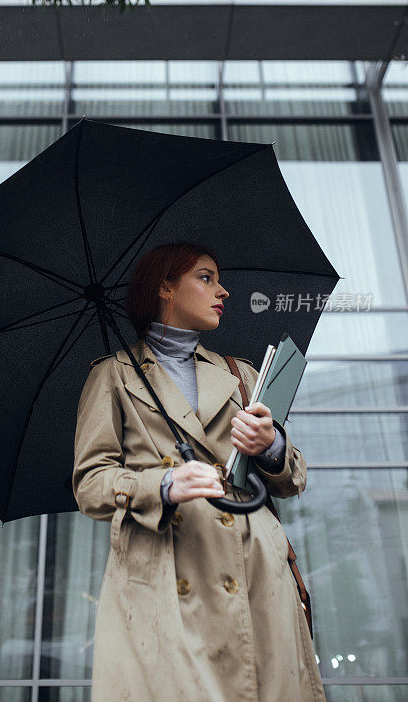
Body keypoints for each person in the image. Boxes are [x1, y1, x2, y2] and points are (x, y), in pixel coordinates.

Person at [72, 242, 326, 702]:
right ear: (165, 287)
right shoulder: (112, 376)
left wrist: (272, 446)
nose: (223, 291)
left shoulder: (242, 374)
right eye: (206, 277)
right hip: (166, 568)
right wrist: (164, 483)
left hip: (254, 570)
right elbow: (90, 484)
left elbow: (292, 480)